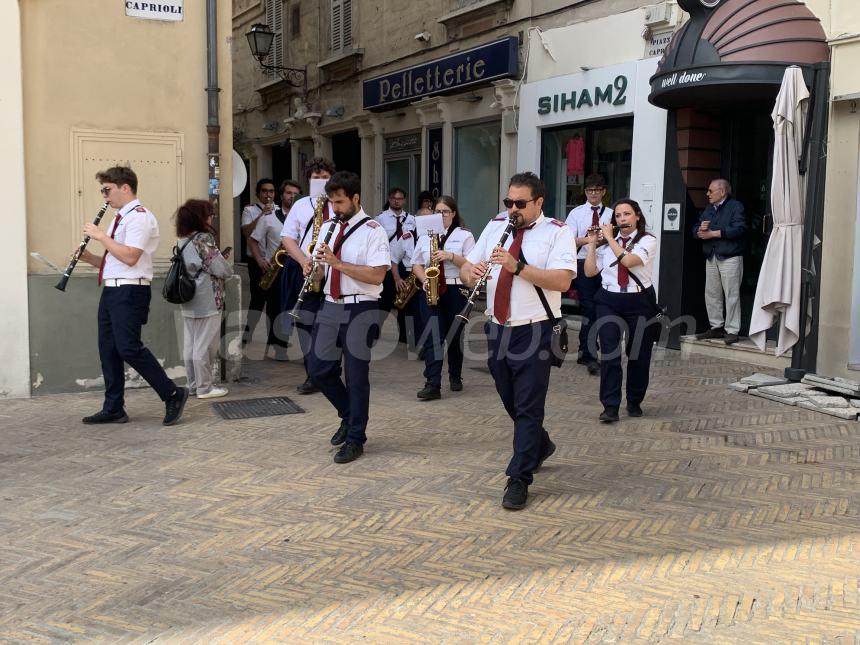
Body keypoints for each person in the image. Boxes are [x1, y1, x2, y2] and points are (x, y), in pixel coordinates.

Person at [461, 172, 576, 510]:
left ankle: (519, 478)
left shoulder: (558, 231)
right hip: (498, 326)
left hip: (535, 328)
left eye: (520, 204)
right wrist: (471, 273)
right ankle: (539, 444)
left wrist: (517, 266)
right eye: (508, 202)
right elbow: (468, 268)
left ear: (539, 202)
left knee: (528, 405)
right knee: (509, 398)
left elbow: (562, 280)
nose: (513, 209)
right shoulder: (497, 224)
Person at [76, 166, 188, 425]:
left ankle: (172, 393)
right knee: (108, 350)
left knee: (128, 347)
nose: (104, 196)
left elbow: (130, 256)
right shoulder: (120, 218)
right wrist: (90, 257)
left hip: (130, 290)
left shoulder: (139, 217)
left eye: (107, 190)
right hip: (113, 288)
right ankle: (114, 407)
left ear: (124, 187)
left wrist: (100, 236)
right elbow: (116, 260)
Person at [306, 171, 390, 464]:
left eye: (340, 202)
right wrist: (314, 269)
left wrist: (338, 263)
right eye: (331, 202)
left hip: (360, 307)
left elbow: (378, 274)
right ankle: (348, 415)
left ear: (355, 199)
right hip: (330, 305)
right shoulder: (328, 226)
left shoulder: (373, 230)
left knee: (356, 376)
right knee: (318, 369)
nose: (335, 208)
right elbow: (321, 273)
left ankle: (356, 437)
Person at [584, 198, 659, 423]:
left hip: (639, 300)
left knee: (638, 354)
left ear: (637, 216)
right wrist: (591, 245)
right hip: (609, 299)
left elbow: (629, 261)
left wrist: (608, 237)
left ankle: (634, 401)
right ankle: (610, 406)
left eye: (626, 214)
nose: (622, 219)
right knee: (609, 353)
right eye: (618, 216)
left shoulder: (648, 240)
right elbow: (589, 273)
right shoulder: (607, 243)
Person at [280, 158, 337, 395]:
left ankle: (332, 369)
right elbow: (287, 237)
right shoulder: (302, 205)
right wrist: (303, 260)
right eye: (316, 177)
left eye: (325, 178)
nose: (321, 181)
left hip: (333, 269)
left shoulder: (339, 203)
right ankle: (312, 375)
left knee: (332, 322)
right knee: (306, 322)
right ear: (309, 179)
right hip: (304, 268)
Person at [411, 195, 475, 400]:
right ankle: (433, 384)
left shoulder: (464, 235)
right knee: (433, 337)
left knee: (454, 336)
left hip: (455, 290)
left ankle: (455, 375)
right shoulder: (424, 235)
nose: (441, 215)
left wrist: (450, 256)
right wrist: (425, 281)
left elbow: (471, 264)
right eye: (437, 212)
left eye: (445, 212)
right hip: (430, 290)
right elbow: (416, 264)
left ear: (453, 214)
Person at [176, 199, 233, 399]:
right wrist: (228, 268)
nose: (211, 218)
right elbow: (218, 266)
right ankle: (205, 388)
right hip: (207, 295)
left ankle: (193, 385)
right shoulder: (204, 238)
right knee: (205, 344)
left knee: (190, 343)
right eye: (210, 214)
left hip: (188, 295)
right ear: (201, 217)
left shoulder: (182, 239)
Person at [565, 173, 612, 375]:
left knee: (604, 309)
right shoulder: (576, 213)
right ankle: (589, 353)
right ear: (585, 192)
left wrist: (604, 239)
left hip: (607, 265)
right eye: (590, 190)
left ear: (603, 192)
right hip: (584, 264)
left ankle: (589, 350)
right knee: (589, 308)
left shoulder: (612, 213)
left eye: (597, 190)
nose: (593, 193)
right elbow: (569, 240)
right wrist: (590, 239)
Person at [692, 178, 747, 345]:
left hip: (730, 256)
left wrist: (713, 233)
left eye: (710, 191)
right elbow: (695, 228)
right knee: (712, 293)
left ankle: (732, 330)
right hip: (712, 256)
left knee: (731, 294)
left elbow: (739, 229)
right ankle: (716, 327)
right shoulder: (709, 209)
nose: (707, 194)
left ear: (722, 192)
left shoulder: (735, 206)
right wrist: (699, 231)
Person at [250, 182, 291, 360]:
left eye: (296, 194)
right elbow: (253, 240)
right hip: (275, 269)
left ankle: (282, 342)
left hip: (296, 268)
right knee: (275, 308)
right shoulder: (268, 217)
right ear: (281, 196)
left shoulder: (304, 219)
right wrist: (260, 260)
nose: (292, 197)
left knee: (289, 309)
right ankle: (279, 348)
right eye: (288, 193)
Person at [240, 178, 278, 347]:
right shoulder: (249, 210)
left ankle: (273, 339)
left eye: (271, 191)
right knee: (257, 299)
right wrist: (263, 215)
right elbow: (246, 232)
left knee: (274, 301)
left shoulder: (279, 211)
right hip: (255, 261)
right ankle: (247, 336)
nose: (268, 195)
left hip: (273, 261)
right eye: (264, 191)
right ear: (258, 194)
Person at [376, 187, 416, 314]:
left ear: (404, 200)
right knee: (384, 305)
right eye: (394, 198)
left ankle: (404, 334)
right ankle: (375, 333)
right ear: (389, 199)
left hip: (405, 266)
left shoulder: (412, 219)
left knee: (405, 305)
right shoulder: (380, 219)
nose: (397, 201)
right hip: (387, 265)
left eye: (399, 198)